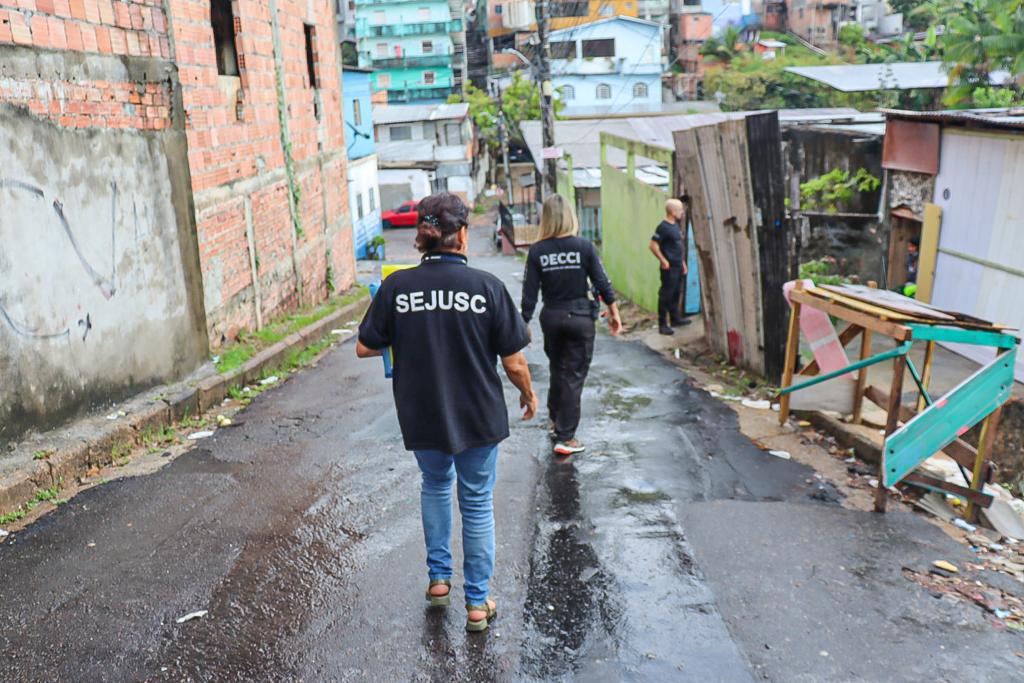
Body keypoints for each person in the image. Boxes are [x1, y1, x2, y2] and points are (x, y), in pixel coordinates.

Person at [355, 192, 538, 633]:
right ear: (460, 236)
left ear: (423, 235)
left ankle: (439, 581)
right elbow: (513, 361)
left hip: (422, 413)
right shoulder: (487, 287)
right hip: (478, 415)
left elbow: (365, 345)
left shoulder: (397, 287)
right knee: (475, 502)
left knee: (435, 486)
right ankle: (477, 604)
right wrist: (529, 395)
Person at [521, 194, 622, 457]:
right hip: (579, 318)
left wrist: (524, 323)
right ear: (570, 216)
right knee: (573, 376)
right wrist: (614, 312)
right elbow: (602, 282)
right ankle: (566, 437)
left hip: (552, 317)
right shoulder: (584, 246)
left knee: (559, 368)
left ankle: (556, 421)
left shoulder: (537, 251)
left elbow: (529, 292)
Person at [649, 198, 690, 336]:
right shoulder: (663, 227)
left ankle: (675, 319)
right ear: (672, 212)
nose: (682, 212)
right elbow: (653, 246)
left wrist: (683, 263)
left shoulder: (675, 226)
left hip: (678, 266)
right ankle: (662, 324)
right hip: (669, 268)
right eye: (680, 210)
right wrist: (663, 260)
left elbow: (677, 246)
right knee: (666, 294)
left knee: (676, 293)